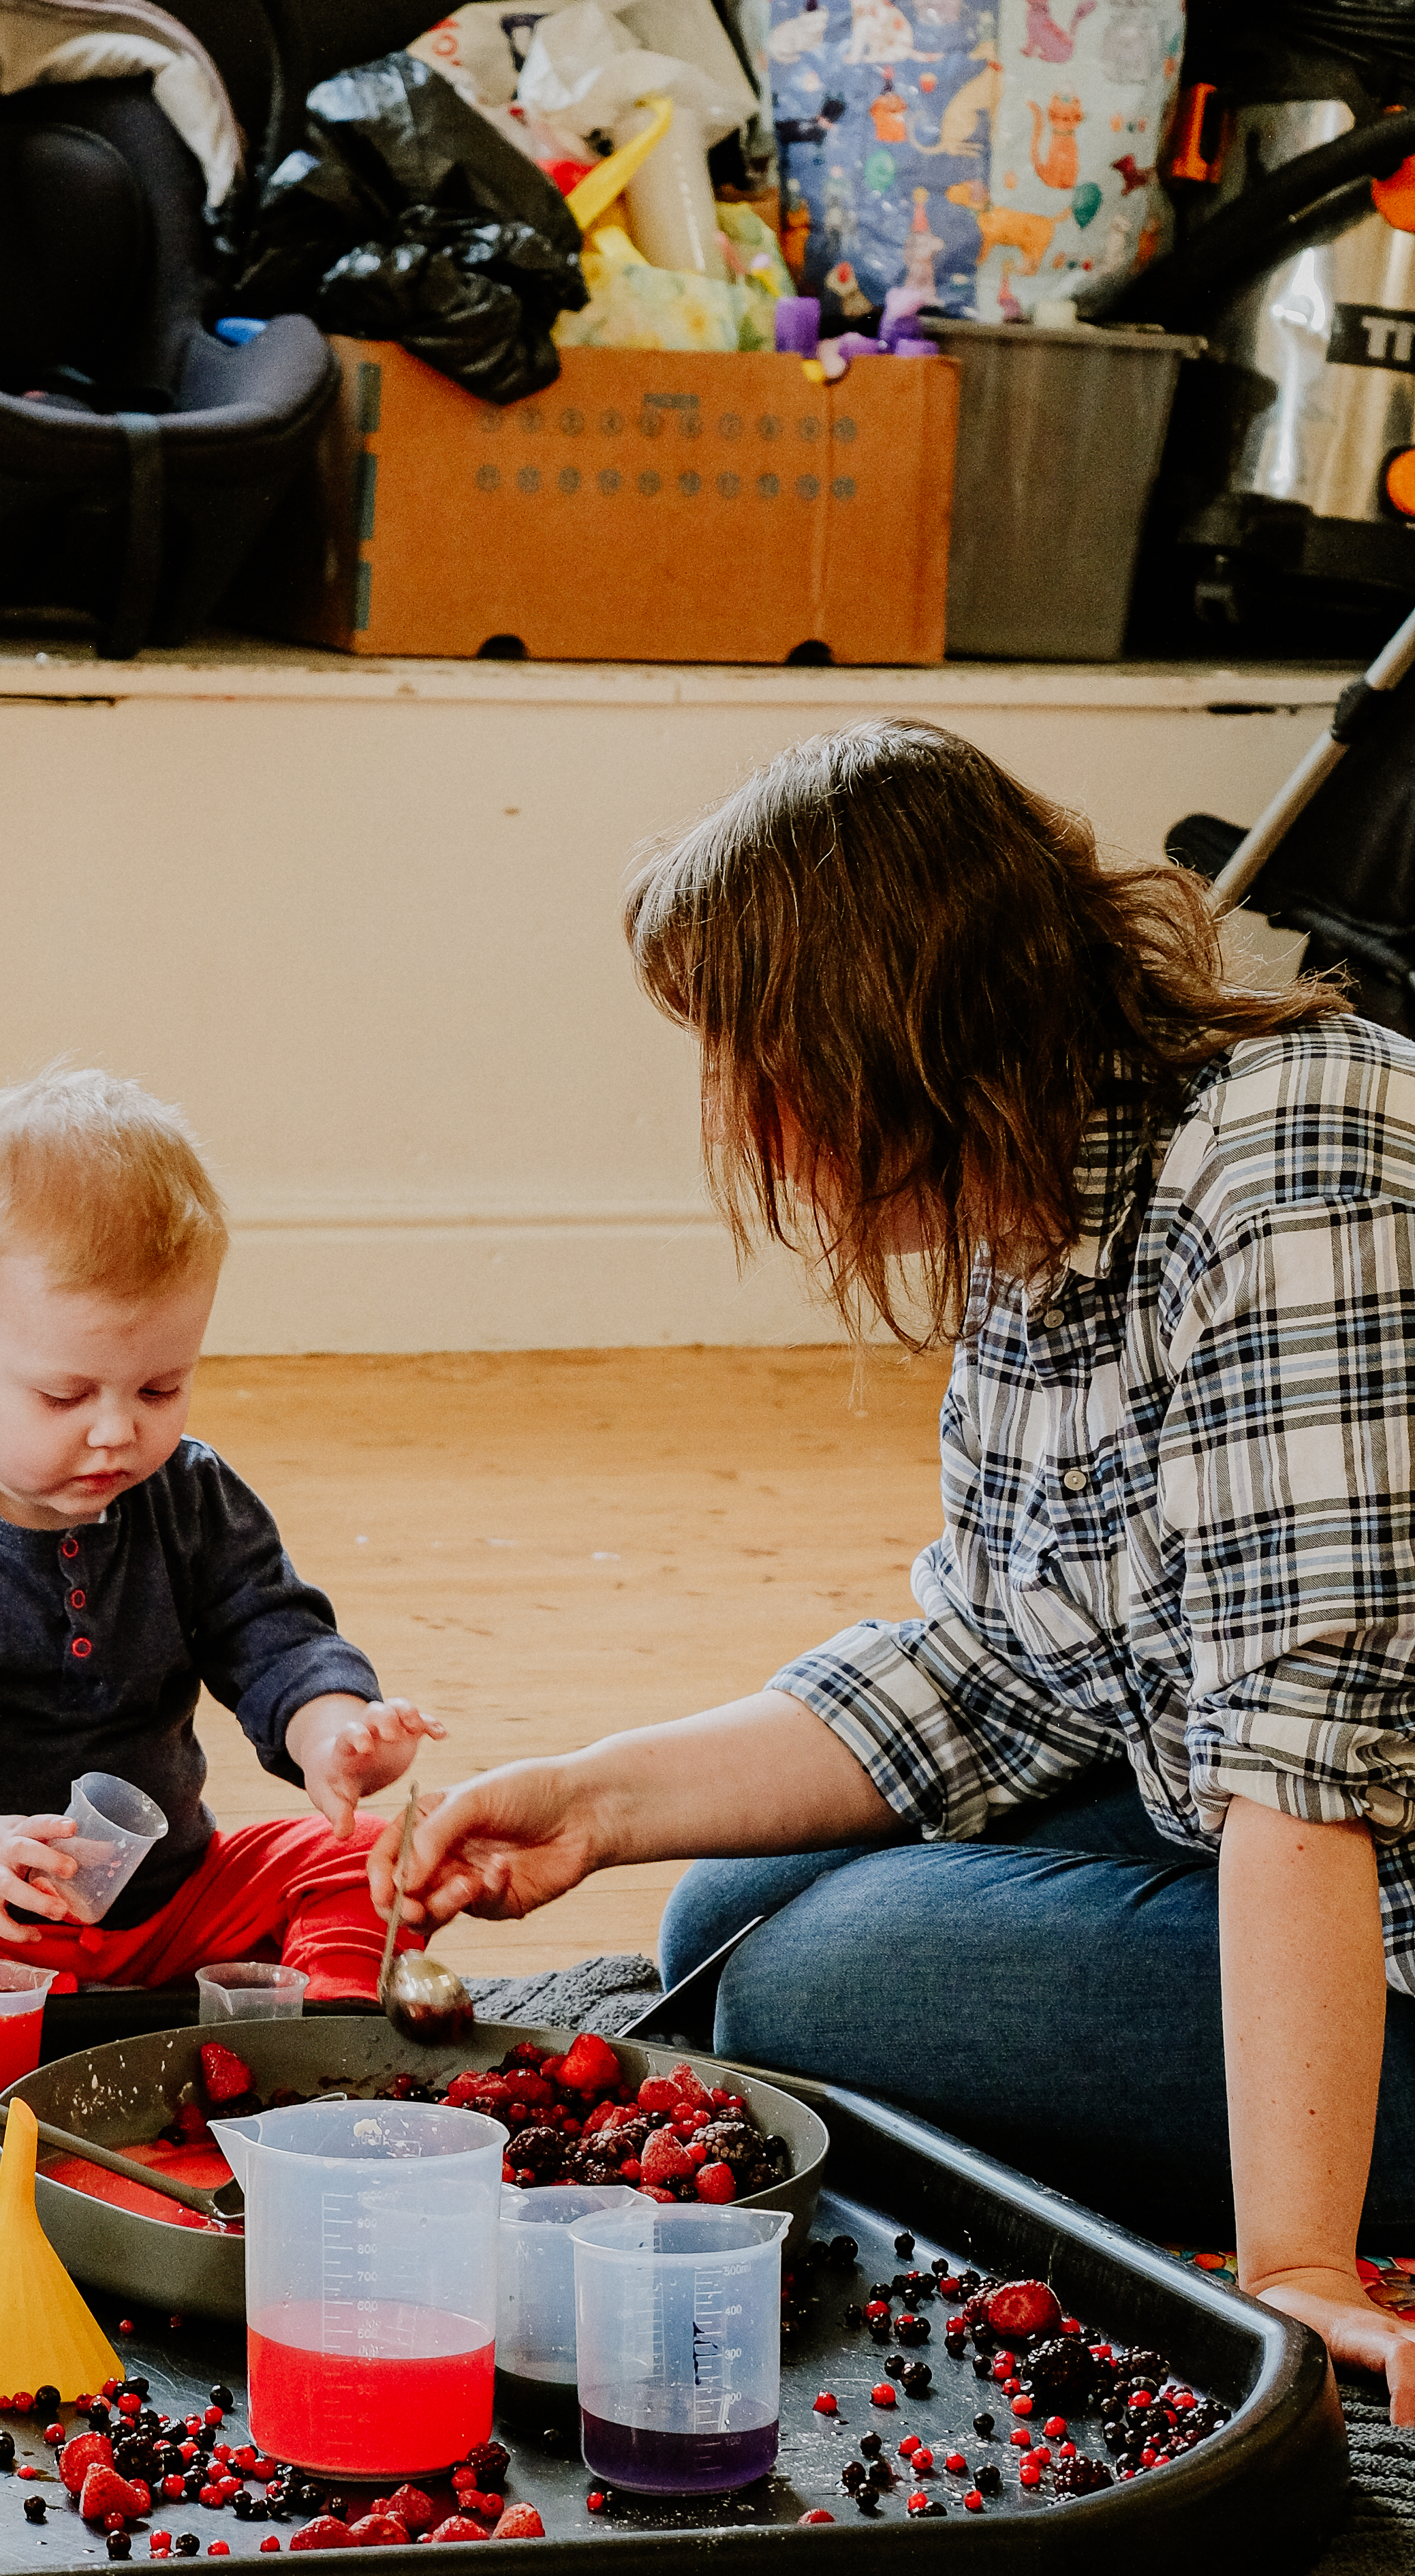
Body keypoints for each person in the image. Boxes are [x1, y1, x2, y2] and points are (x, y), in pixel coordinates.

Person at [382, 719, 1415, 2423]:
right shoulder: (1042, 1196)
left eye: (755, 1062)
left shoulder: (1287, 1163)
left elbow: (1305, 1762)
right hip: (1267, 1806)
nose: (741, 1126)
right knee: (722, 1912)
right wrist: (598, 1803)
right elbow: (991, 1665)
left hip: (1374, 1880)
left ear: (896, 1043)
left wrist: (1293, 2268)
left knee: (814, 1979)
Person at [0, 1062, 437, 2007]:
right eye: (65, 1394)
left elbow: (280, 1642)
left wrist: (337, 1734)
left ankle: (328, 2050)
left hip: (165, 1913)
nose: (116, 1430)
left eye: (160, 1388)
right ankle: (24, 2015)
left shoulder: (192, 1496)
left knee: (368, 1862)